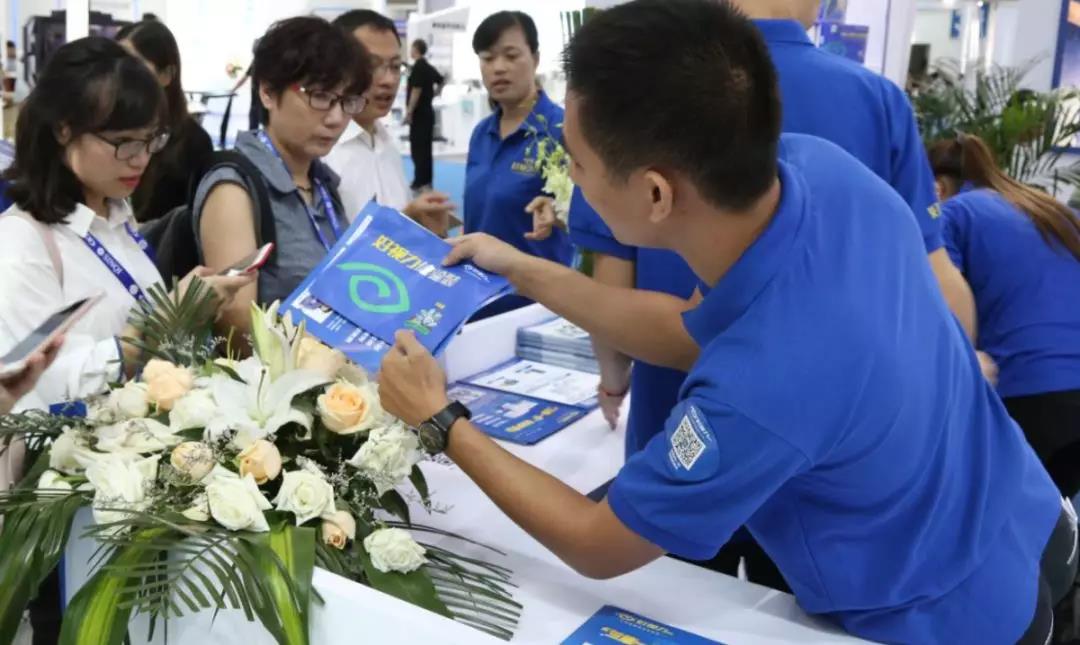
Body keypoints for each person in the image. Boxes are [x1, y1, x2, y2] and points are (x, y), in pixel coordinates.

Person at [378, 2, 1074, 643]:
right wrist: (520, 267)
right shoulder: (823, 174)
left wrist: (440, 419)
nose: (574, 182)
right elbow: (688, 327)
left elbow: (597, 541)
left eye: (579, 164)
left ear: (655, 193)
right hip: (1027, 516)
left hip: (951, 613)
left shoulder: (759, 386)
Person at [0, 37, 251, 411]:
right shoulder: (21, 242)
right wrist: (163, 322)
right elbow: (38, 390)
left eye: (151, 140)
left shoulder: (116, 217)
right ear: (62, 130)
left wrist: (186, 312)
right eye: (123, 142)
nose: (140, 159)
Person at [194, 17, 370, 343]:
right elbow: (237, 328)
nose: (336, 118)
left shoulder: (323, 184)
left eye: (348, 101)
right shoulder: (234, 187)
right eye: (320, 96)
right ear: (267, 92)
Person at [930, 133, 1080, 499]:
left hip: (1027, 391)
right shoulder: (1052, 211)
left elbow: (941, 302)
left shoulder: (952, 213)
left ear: (937, 188)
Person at [464, 11, 574, 318]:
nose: (498, 67)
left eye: (511, 56)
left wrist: (559, 214)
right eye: (487, 58)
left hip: (536, 305)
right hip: (476, 301)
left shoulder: (562, 130)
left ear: (535, 59)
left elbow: (591, 217)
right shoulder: (481, 133)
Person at [325, 10, 454, 234]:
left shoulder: (387, 146)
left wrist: (418, 224)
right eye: (370, 65)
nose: (389, 80)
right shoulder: (322, 154)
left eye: (395, 66)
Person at [116, 20, 214, 222]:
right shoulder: (104, 132)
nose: (121, 76)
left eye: (134, 66)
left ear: (166, 75)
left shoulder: (193, 142)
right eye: (115, 64)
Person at [406, 38, 444, 192]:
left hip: (419, 114)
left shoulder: (418, 67)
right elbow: (441, 80)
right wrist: (434, 94)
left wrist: (409, 111)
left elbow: (416, 90)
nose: (410, 50)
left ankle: (420, 181)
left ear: (416, 49)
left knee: (417, 149)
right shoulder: (428, 67)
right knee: (426, 149)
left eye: (411, 48)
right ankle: (425, 181)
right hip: (428, 112)